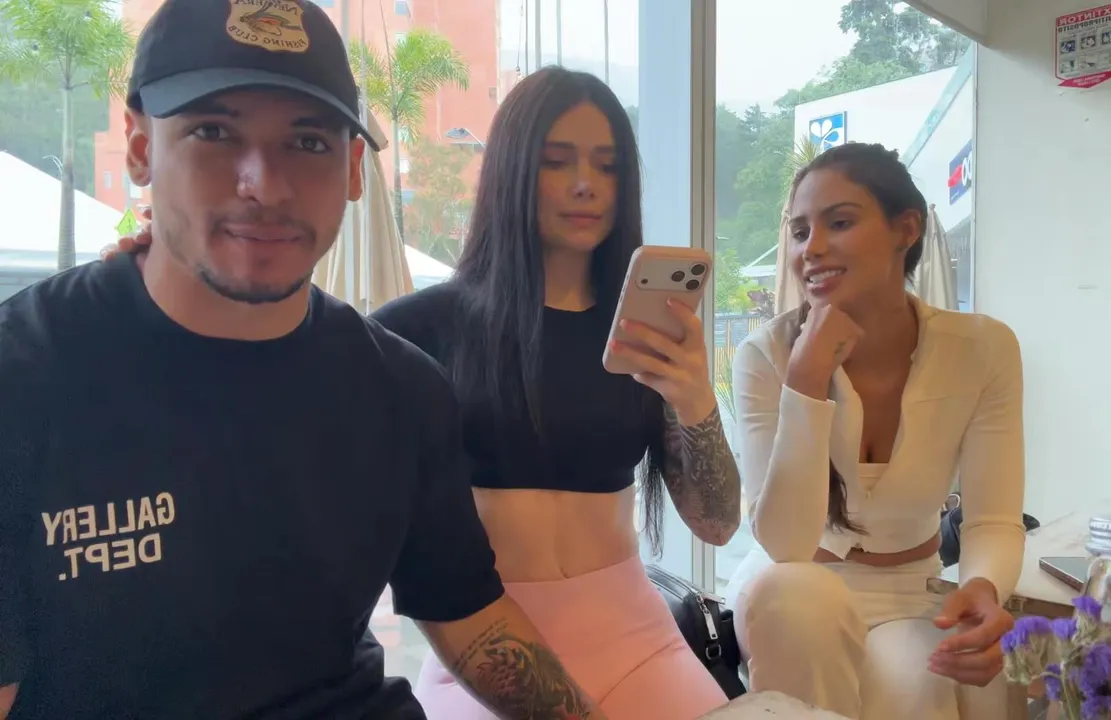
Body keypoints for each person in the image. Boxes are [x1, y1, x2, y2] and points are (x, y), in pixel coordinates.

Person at [0, 2, 603, 719]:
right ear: (138, 147)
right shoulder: (26, 377)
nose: (265, 185)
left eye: (308, 142)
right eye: (214, 132)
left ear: (353, 169)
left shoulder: (400, 389)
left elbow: (471, 619)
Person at [104, 67, 739, 720]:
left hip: (638, 640)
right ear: (512, 171)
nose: (586, 184)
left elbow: (716, 525)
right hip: (483, 650)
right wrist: (176, 273)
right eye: (556, 161)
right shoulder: (416, 333)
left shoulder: (644, 339)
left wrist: (694, 399)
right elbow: (278, 386)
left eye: (607, 165)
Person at [723, 142, 1026, 719]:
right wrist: (806, 380)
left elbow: (992, 519)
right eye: (800, 231)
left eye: (839, 223)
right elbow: (786, 546)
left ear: (905, 229)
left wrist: (983, 586)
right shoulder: (765, 355)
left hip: (910, 591)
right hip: (795, 586)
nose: (811, 248)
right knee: (796, 596)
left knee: (917, 688)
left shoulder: (982, 349)